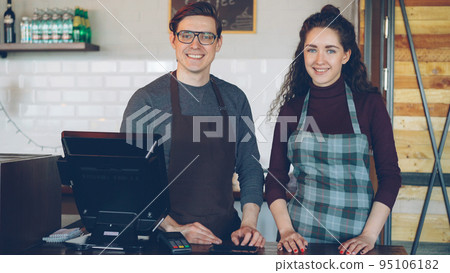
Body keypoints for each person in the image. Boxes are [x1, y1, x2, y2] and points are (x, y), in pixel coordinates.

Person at [120, 2, 265, 247]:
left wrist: (248, 224)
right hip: (164, 240)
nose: (195, 45)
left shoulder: (234, 99)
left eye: (206, 36)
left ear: (218, 43)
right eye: (186, 35)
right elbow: (130, 179)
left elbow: (250, 168)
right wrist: (175, 229)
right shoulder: (147, 101)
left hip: (226, 238)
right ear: (173, 40)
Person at [265, 4, 401, 255]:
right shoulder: (291, 109)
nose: (319, 60)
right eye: (311, 49)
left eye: (330, 50)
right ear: (302, 54)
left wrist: (369, 235)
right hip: (300, 241)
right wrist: (286, 231)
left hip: (357, 244)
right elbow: (275, 178)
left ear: (345, 55)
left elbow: (390, 176)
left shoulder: (369, 104)